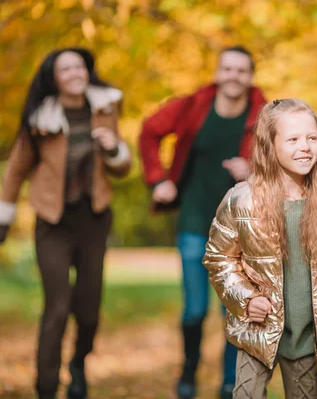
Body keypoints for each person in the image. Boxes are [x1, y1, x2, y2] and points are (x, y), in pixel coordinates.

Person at [203, 99, 317, 398]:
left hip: (310, 337)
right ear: (269, 145)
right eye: (293, 139)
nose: (305, 146)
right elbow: (219, 258)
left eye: (311, 138)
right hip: (257, 332)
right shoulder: (241, 201)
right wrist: (246, 300)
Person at [0, 47, 131, 399]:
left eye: (80, 66)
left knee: (88, 310)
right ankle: (45, 387)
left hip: (94, 220)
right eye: (66, 68)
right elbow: (15, 170)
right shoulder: (40, 119)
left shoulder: (105, 107)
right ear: (54, 77)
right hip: (53, 223)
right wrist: (4, 217)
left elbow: (122, 169)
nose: (75, 72)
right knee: (57, 307)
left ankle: (78, 365)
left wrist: (113, 147)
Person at [138, 46, 267, 399]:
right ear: (217, 72)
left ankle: (230, 382)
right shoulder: (193, 105)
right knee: (195, 310)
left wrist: (254, 171)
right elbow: (149, 131)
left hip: (242, 229)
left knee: (236, 310)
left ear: (250, 76)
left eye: (241, 70)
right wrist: (158, 179)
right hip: (195, 221)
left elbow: (283, 158)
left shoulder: (264, 113)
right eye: (227, 68)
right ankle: (189, 368)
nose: (233, 76)